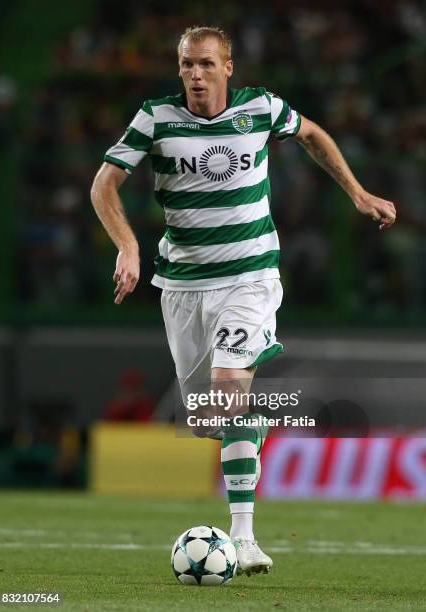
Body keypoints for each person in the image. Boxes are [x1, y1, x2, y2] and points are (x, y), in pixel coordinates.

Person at [90, 26, 396, 576]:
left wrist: (358, 192)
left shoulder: (261, 109)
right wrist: (129, 248)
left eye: (206, 64)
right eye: (186, 65)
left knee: (228, 396)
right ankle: (250, 429)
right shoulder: (154, 118)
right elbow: (103, 185)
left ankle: (244, 538)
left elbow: (312, 135)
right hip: (182, 285)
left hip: (249, 279)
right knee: (210, 417)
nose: (195, 75)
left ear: (228, 68)